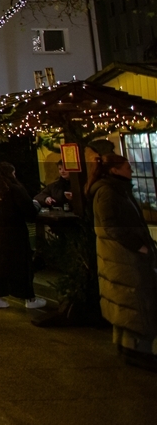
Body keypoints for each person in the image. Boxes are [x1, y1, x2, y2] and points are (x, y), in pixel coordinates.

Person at [88, 154, 157, 371]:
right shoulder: (109, 192)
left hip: (121, 256)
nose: (131, 170)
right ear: (114, 170)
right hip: (124, 258)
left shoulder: (114, 189)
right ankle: (137, 350)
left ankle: (128, 346)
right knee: (136, 300)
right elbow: (111, 225)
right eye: (127, 167)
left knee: (129, 301)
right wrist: (138, 246)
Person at [0, 162, 46, 311]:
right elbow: (30, 212)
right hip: (8, 235)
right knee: (19, 266)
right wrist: (37, 204)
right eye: (13, 173)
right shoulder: (13, 189)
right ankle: (29, 299)